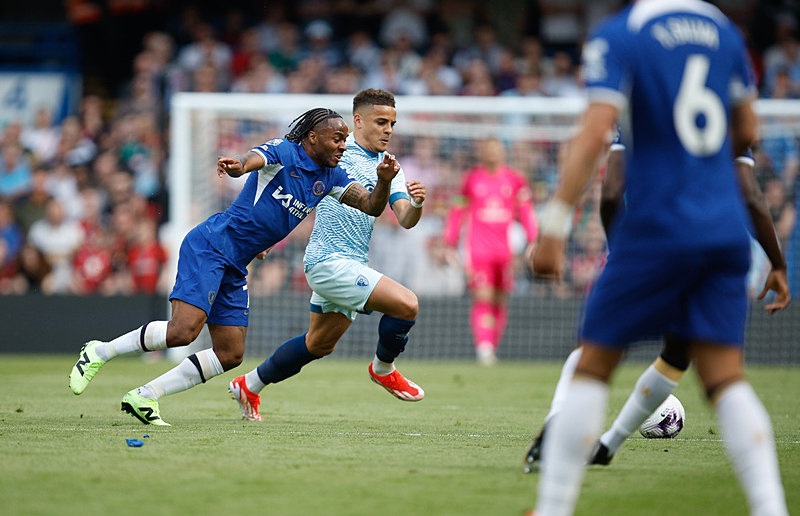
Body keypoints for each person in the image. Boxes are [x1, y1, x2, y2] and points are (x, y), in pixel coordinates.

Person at [527, 0, 794, 516]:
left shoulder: (621, 33)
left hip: (657, 227)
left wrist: (554, 226)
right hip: (721, 233)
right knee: (725, 378)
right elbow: (747, 131)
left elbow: (594, 137)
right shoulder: (724, 32)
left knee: (594, 364)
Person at [69, 107, 400, 426]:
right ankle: (99, 351)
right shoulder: (285, 152)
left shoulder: (332, 176)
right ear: (312, 138)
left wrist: (384, 181)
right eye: (337, 138)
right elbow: (251, 160)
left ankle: (145, 395)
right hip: (211, 246)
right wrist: (237, 166)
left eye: (345, 139)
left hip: (237, 263)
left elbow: (371, 206)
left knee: (230, 353)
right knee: (183, 331)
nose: (343, 145)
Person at [524, 142, 791, 471]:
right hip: (718, 246)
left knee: (597, 346)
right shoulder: (726, 105)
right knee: (715, 371)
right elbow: (749, 195)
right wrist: (777, 263)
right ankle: (610, 443)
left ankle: (557, 430)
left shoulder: (641, 97)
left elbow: (610, 194)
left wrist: (618, 252)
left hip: (651, 239)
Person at [228, 88, 426, 422]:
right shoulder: (334, 155)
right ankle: (383, 368)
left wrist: (417, 204)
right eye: (381, 122)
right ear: (358, 121)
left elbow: (405, 219)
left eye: (392, 123)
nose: (389, 130)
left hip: (351, 263)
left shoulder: (391, 167)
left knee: (319, 344)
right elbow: (294, 195)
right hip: (327, 261)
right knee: (408, 304)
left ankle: (249, 384)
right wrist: (266, 239)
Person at [443, 137, 538, 365]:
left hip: (505, 251)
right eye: (488, 149)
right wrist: (450, 242)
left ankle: (491, 345)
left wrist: (533, 240)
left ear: (503, 152)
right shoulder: (471, 179)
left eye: (496, 149)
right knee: (483, 297)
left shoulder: (515, 179)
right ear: (482, 152)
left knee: (500, 300)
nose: (493, 153)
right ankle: (484, 348)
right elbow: (457, 211)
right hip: (478, 250)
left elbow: (526, 211)